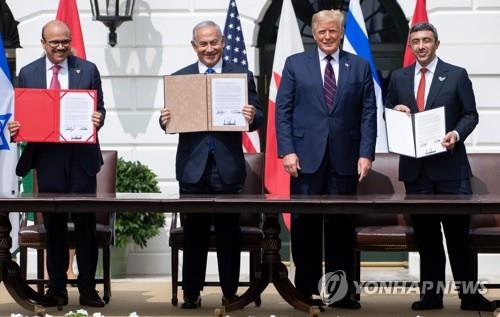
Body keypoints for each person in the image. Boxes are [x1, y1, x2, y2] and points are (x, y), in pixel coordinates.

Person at [386, 22, 497, 311]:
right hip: (416, 171)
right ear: (410, 46)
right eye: (416, 42)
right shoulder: (398, 78)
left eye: (427, 40)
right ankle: (431, 296)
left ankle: (469, 296)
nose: (421, 46)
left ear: (437, 43)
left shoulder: (457, 75)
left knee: (459, 238)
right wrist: (395, 113)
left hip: (450, 170)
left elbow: (471, 115)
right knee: (427, 239)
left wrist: (456, 134)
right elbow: (386, 115)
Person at [275, 9, 376, 309]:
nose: (328, 36)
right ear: (314, 34)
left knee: (341, 227)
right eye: (322, 32)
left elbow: (368, 113)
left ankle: (342, 294)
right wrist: (287, 150)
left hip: (346, 160)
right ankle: (304, 292)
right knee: (305, 227)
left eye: (333, 31)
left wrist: (366, 153)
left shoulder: (358, 66)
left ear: (341, 32)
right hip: (304, 160)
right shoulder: (295, 64)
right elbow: (283, 111)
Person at [159, 20, 263, 309]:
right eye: (203, 43)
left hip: (228, 167)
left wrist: (252, 114)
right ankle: (191, 293)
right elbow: (170, 123)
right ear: (194, 46)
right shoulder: (180, 79)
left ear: (223, 42)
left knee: (230, 234)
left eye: (214, 42)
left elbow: (258, 119)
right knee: (195, 235)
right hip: (193, 169)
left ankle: (230, 293)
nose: (209, 48)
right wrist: (164, 121)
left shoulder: (241, 75)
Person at [8, 20, 105, 307]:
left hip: (82, 160)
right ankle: (57, 288)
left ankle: (88, 288)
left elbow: (100, 109)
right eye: (54, 43)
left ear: (70, 40)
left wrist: (98, 119)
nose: (60, 47)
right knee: (55, 227)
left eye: (65, 41)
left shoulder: (87, 69)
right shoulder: (28, 73)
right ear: (43, 43)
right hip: (47, 159)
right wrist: (17, 128)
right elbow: (21, 114)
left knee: (86, 225)